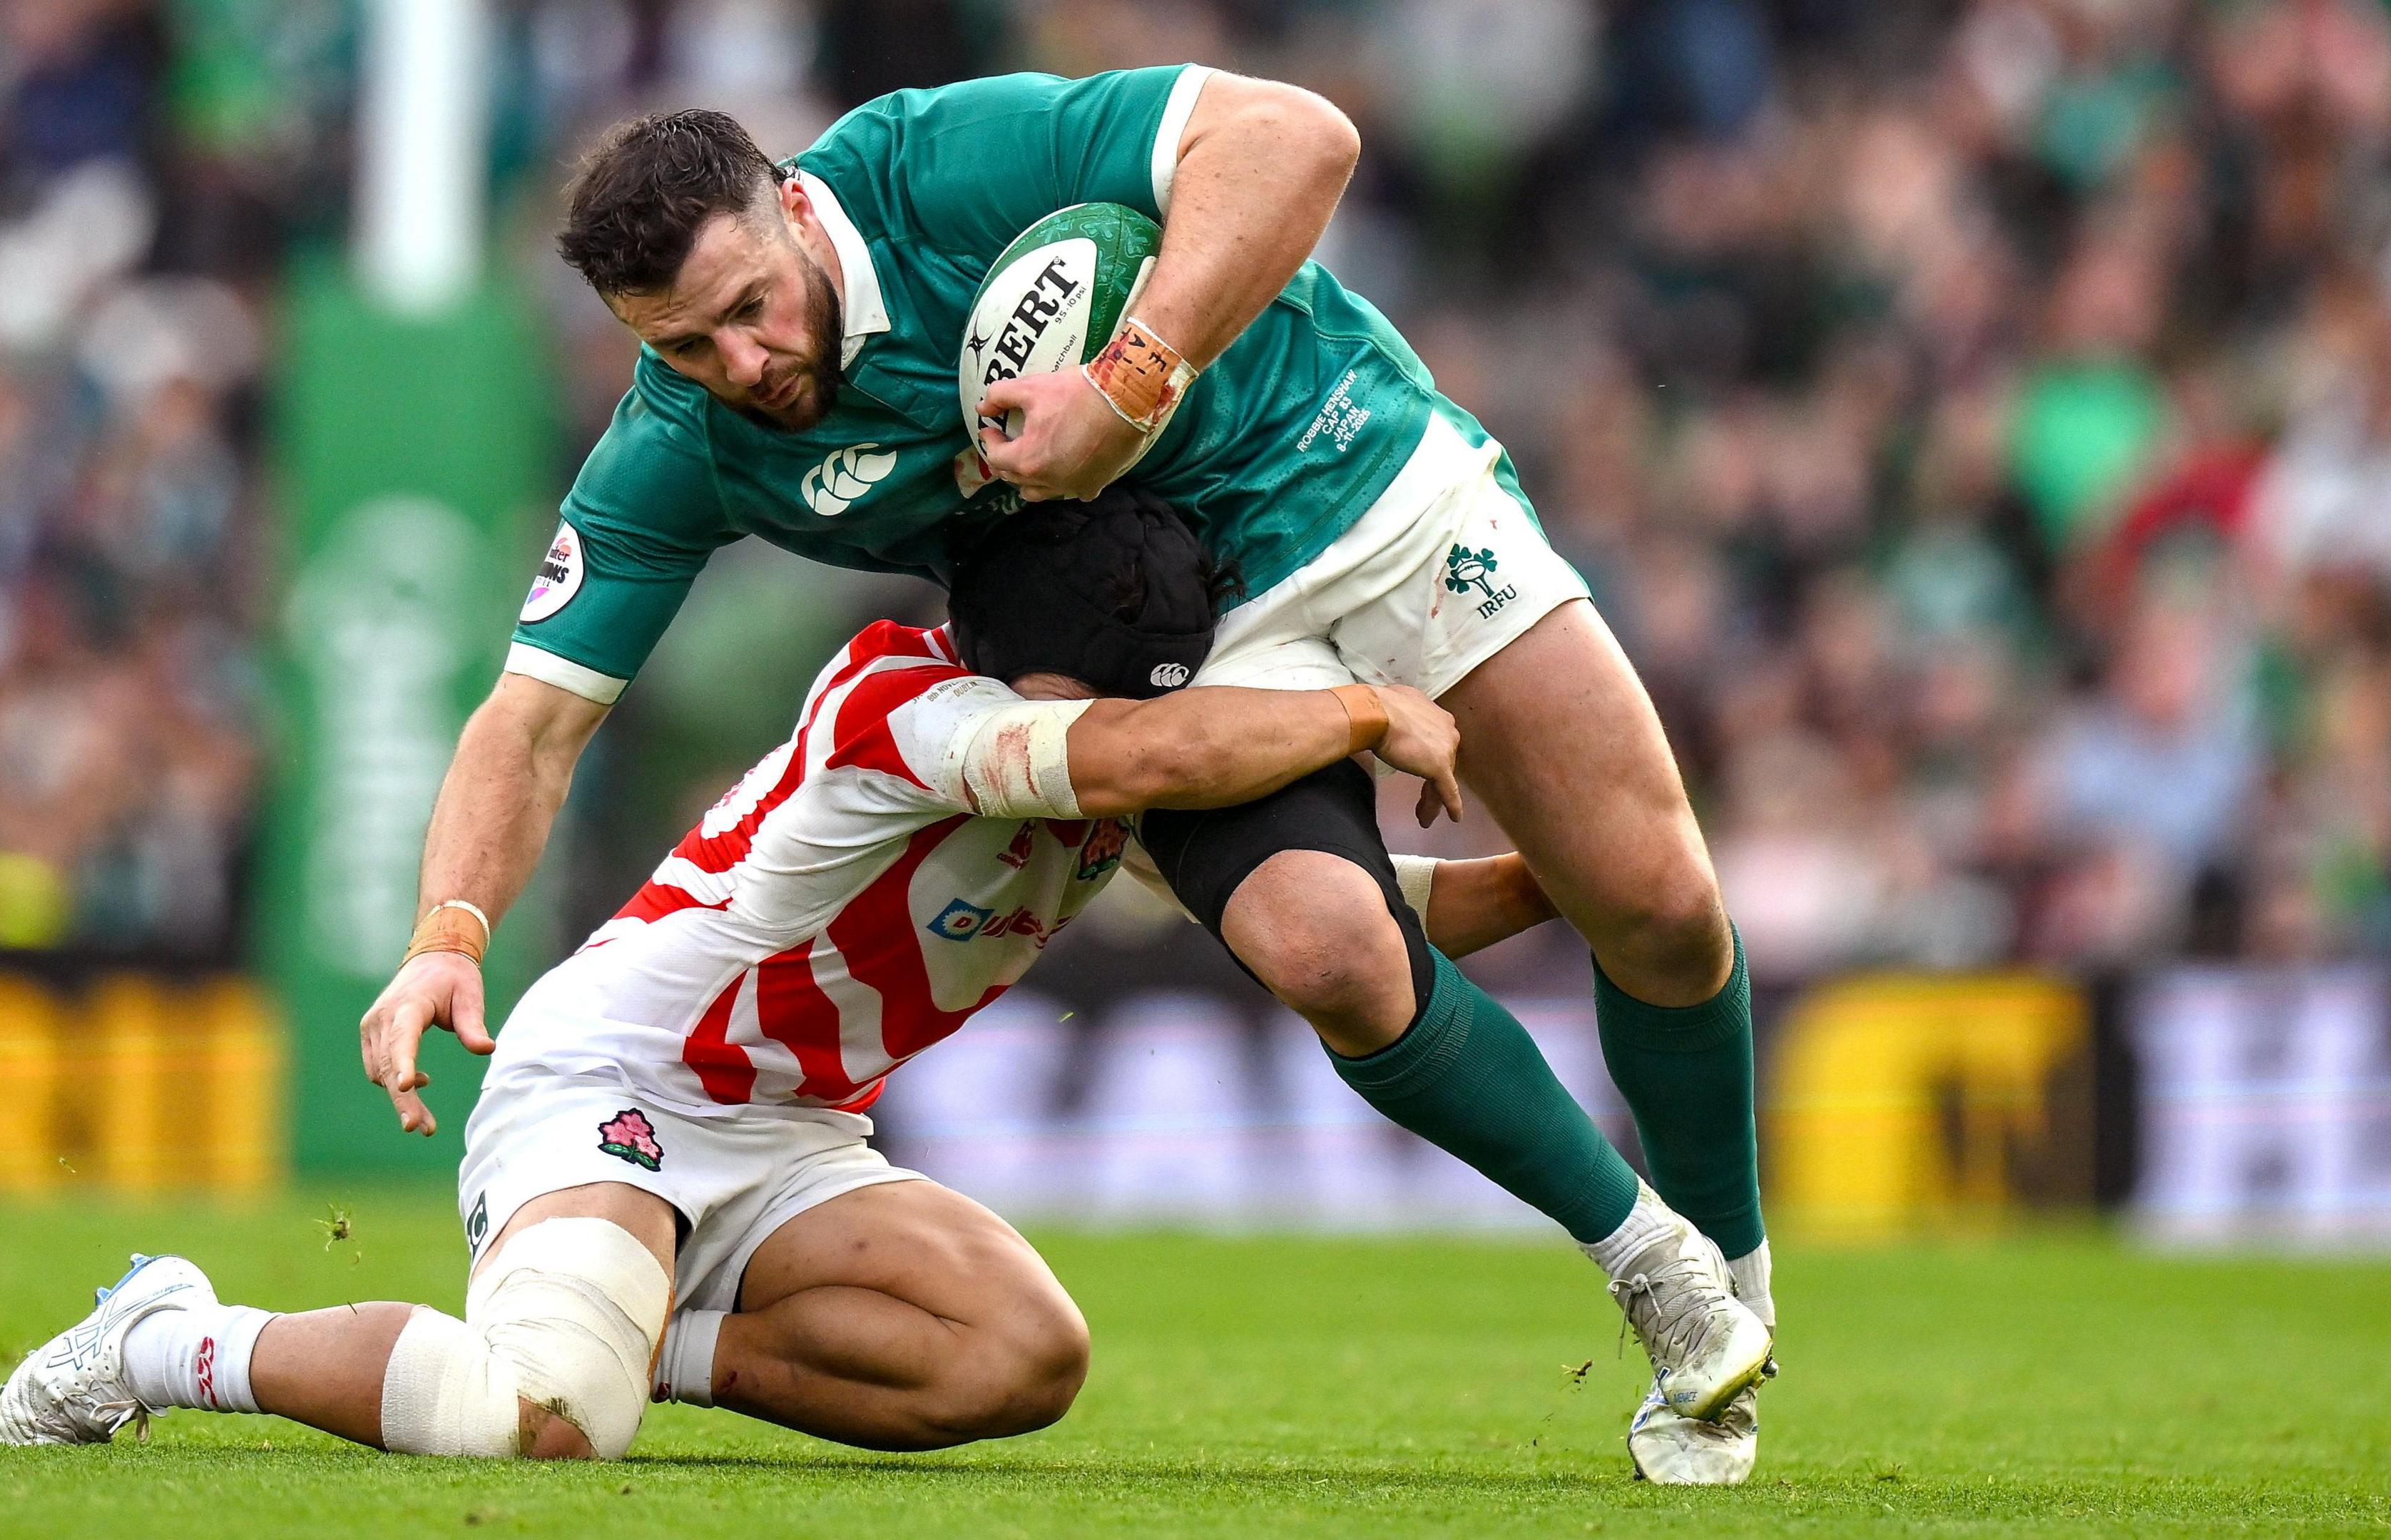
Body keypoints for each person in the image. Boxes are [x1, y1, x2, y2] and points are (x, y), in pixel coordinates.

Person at [365, 68, 1774, 1481]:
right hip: (1150, 639)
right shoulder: (686, 445)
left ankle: (1737, 1290)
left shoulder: (933, 166)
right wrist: (447, 931)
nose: (741, 364)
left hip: (1353, 469)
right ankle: (1658, 1282)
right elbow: (530, 723)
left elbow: (1298, 140)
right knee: (1331, 951)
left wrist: (1133, 375)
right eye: (684, 345)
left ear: (796, 208)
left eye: (751, 309)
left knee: (1652, 904)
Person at [0, 491, 1569, 1459]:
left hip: (792, 1140)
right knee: (531, 1425)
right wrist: (1361, 715)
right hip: (618, 1086)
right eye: (1111, 698)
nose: (1140, 740)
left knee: (1026, 1360)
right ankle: (168, 1335)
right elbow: (1129, 747)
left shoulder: (1116, 778)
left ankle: (650, 1334)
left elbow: (1355, 914)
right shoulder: (902, 705)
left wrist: (1577, 877)